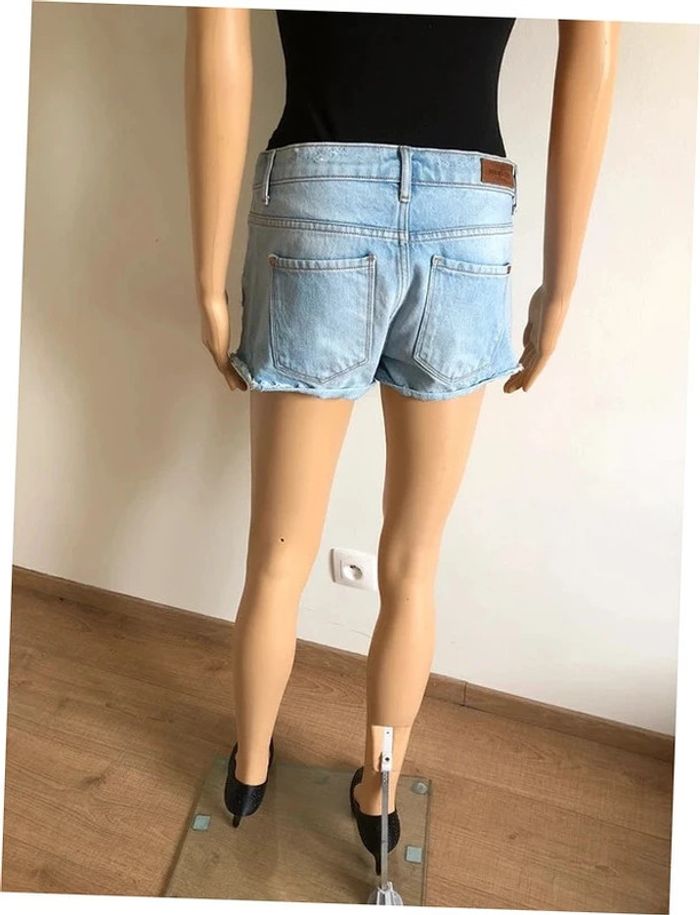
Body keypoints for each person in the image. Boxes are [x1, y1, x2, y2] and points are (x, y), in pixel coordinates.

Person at [184, 7, 620, 873]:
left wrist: (207, 279)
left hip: (318, 194)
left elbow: (215, 26)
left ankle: (250, 771)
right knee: (414, 563)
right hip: (470, 205)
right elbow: (595, 39)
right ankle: (380, 797)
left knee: (276, 561)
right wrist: (560, 286)